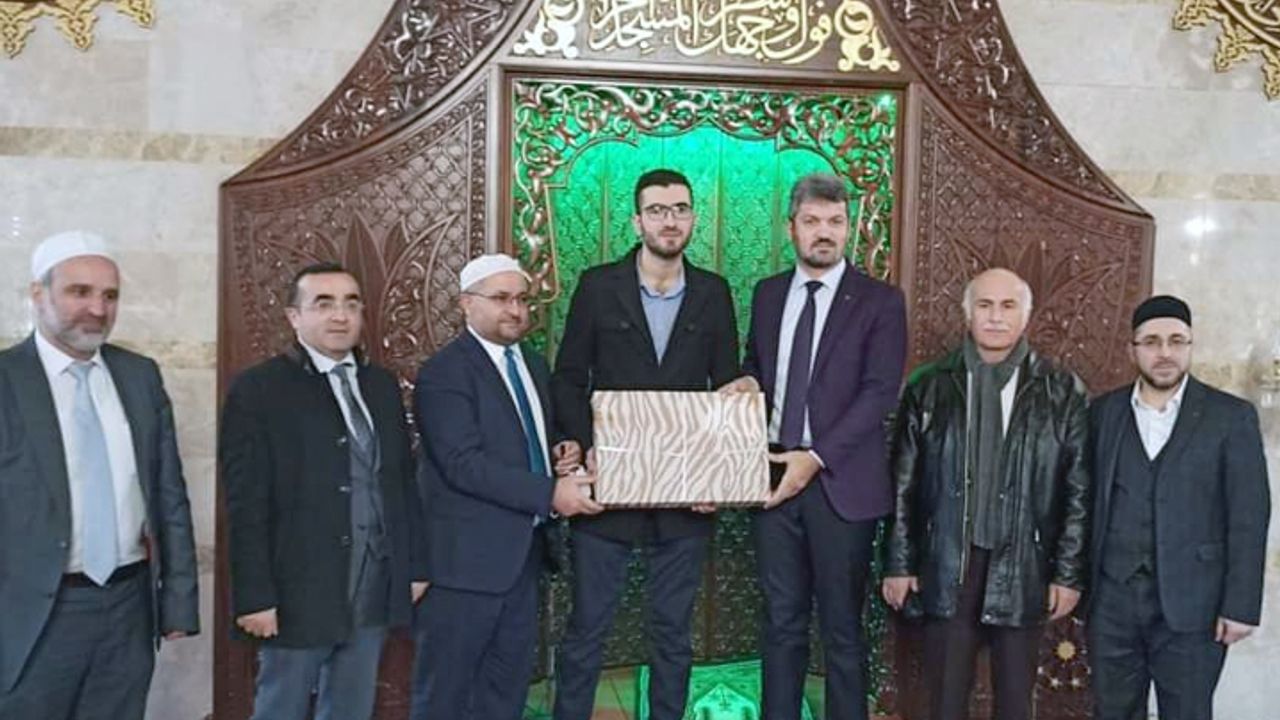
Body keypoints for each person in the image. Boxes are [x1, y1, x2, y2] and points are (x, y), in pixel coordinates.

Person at [551, 169, 740, 720]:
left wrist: (717, 475)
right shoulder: (597, 286)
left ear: (693, 218)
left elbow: (726, 389)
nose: (669, 220)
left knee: (673, 634)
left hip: (684, 497)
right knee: (587, 629)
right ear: (637, 221)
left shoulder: (714, 292)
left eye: (679, 209)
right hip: (607, 489)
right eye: (657, 210)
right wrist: (578, 445)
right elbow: (569, 378)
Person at [721, 173, 906, 720]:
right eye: (812, 221)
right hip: (773, 476)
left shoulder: (880, 301)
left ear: (849, 228)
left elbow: (879, 393)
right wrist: (748, 381)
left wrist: (816, 457)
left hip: (840, 484)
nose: (824, 232)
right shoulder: (768, 293)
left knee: (843, 630)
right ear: (791, 228)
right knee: (780, 622)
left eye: (835, 222)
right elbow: (759, 365)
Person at [0, 231, 199, 720]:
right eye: (79, 292)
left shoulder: (140, 375)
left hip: (128, 609)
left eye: (110, 295)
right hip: (32, 614)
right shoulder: (7, 380)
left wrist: (178, 601)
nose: (97, 309)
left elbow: (169, 495)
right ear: (38, 294)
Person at [220, 262, 427, 720]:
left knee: (351, 707)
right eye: (324, 304)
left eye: (351, 304)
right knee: (282, 706)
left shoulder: (380, 386)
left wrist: (413, 567)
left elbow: (401, 483)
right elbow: (245, 503)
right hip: (297, 586)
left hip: (373, 581)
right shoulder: (259, 389)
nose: (340, 315)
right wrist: (254, 596)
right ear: (294, 317)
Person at [882, 267, 1090, 720]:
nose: (996, 317)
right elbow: (902, 484)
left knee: (1015, 703)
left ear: (1026, 316)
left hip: (1025, 566)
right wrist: (899, 564)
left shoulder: (1061, 390)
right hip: (948, 564)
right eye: (985, 305)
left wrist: (1068, 574)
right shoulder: (930, 385)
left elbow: (1078, 491)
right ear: (968, 313)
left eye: (1008, 306)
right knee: (944, 701)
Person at [410, 254, 598, 720]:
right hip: (464, 569)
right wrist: (550, 494)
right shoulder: (444, 373)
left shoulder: (532, 364)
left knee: (505, 695)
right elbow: (462, 464)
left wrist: (561, 449)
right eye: (501, 298)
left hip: (523, 562)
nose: (515, 310)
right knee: (445, 696)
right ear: (466, 304)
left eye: (522, 299)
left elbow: (526, 438)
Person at [1087, 295, 1270, 720]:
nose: (1164, 352)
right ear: (1132, 349)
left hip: (1196, 605)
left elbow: (1249, 516)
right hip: (1112, 604)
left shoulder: (1231, 417)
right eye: (1151, 342)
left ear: (1190, 346)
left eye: (1176, 341)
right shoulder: (1102, 413)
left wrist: (1240, 606)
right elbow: (1083, 500)